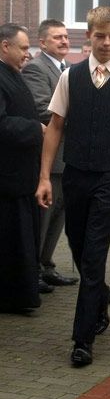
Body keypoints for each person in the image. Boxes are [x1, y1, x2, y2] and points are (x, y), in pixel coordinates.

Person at [36, 6, 110, 367]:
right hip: (75, 175)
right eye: (100, 36)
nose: (106, 43)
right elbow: (55, 126)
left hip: (109, 178)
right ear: (88, 36)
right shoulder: (70, 77)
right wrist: (44, 176)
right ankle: (101, 295)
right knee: (78, 244)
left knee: (94, 253)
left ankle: (82, 340)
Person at [22, 19, 79, 294]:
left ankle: (46, 264)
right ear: (42, 42)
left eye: (66, 36)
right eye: (57, 37)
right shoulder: (36, 68)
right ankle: (31, 270)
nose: (64, 41)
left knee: (59, 216)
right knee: (44, 217)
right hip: (51, 157)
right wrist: (82, 116)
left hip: (68, 158)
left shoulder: (66, 69)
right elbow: (42, 108)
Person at [0, 23, 44, 313]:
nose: (27, 54)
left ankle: (22, 292)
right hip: (7, 178)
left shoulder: (13, 74)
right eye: (24, 48)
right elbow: (2, 123)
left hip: (22, 175)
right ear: (5, 46)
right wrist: (36, 129)